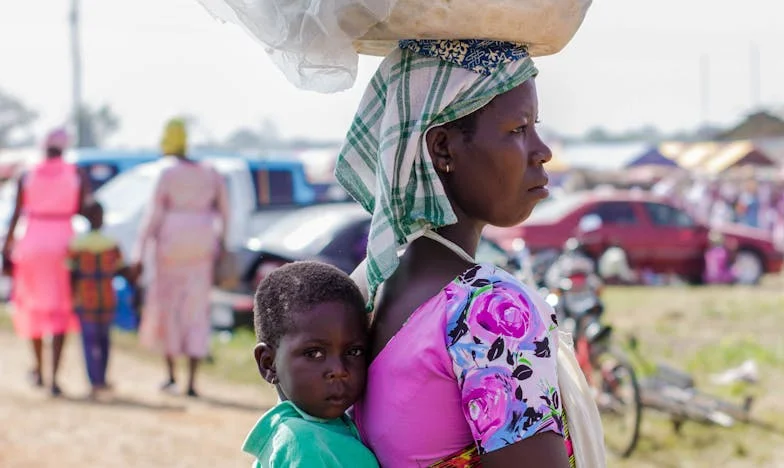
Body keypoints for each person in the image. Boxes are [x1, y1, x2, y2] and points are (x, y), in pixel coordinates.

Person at [336, 40, 603, 467]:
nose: (542, 151)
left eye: (535, 126)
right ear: (443, 148)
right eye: (518, 129)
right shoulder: (489, 310)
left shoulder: (375, 282)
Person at [245, 261, 378, 468]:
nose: (339, 370)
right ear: (269, 364)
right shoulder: (302, 444)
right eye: (314, 353)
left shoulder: (328, 429)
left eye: (353, 352)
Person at [131, 118, 230, 397]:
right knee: (196, 312)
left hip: (169, 249)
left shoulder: (167, 173)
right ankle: (192, 382)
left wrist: (139, 252)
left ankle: (172, 377)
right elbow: (225, 213)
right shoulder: (210, 171)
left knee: (170, 310)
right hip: (202, 248)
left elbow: (152, 216)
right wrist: (222, 245)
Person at [2, 128, 91, 396]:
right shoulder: (76, 173)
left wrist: (6, 249)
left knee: (33, 306)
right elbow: (85, 208)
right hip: (64, 242)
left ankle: (39, 370)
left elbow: (16, 213)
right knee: (61, 308)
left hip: (32, 242)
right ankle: (54, 378)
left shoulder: (27, 174)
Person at [67, 201, 137, 399]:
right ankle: (102, 379)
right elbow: (123, 270)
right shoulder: (111, 244)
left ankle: (95, 381)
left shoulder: (77, 244)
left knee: (89, 342)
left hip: (86, 299)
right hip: (106, 298)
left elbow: (71, 274)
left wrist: (72, 297)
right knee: (104, 340)